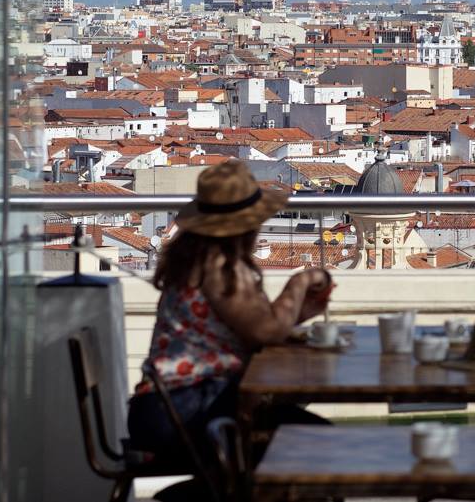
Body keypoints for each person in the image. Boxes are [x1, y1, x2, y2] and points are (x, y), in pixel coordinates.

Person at [127, 160, 332, 479]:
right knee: (316, 439)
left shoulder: (200, 260)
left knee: (307, 434)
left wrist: (300, 310)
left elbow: (248, 328)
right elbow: (265, 332)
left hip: (166, 407)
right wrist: (301, 282)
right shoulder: (220, 268)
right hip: (184, 411)